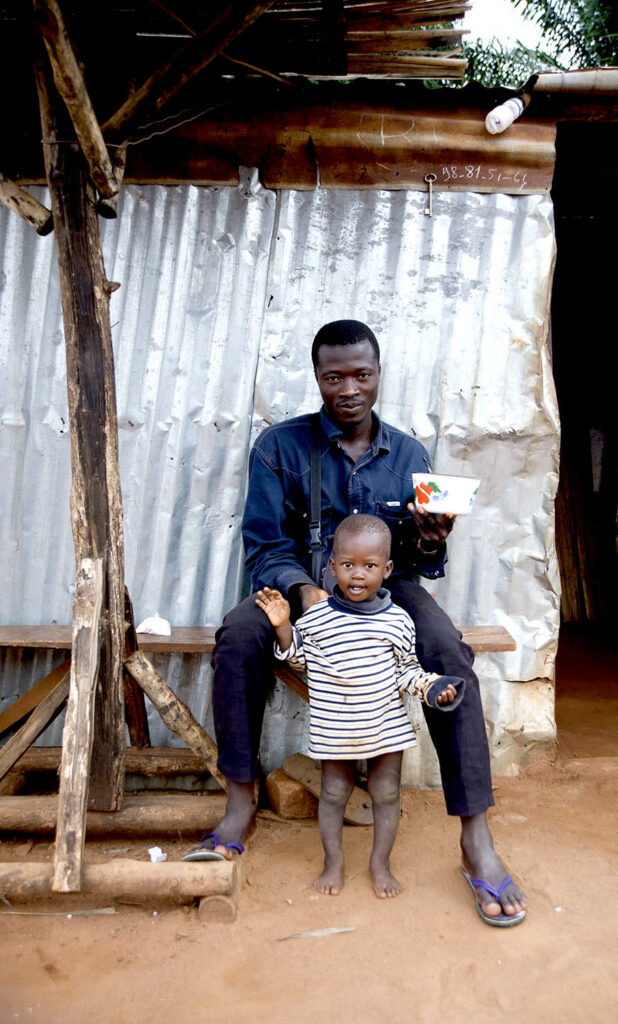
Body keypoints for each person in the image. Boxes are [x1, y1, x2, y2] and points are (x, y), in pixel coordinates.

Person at [184, 319, 526, 927]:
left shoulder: (410, 456)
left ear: (377, 375)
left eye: (361, 374)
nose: (348, 388)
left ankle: (476, 836)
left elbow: (427, 564)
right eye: (333, 376)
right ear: (317, 377)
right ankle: (239, 803)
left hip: (386, 593)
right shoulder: (278, 448)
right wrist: (305, 590)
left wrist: (429, 539)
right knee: (238, 637)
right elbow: (263, 543)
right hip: (298, 589)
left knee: (449, 649)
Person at [255, 514, 461, 898]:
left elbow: (407, 671)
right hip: (336, 727)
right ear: (331, 568)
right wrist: (284, 626)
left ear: (387, 569)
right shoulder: (317, 618)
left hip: (386, 726)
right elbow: (300, 660)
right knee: (333, 793)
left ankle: (380, 864)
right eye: (348, 565)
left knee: (386, 793)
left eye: (369, 566)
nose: (358, 575)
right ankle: (333, 861)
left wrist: (432, 686)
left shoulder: (398, 620)